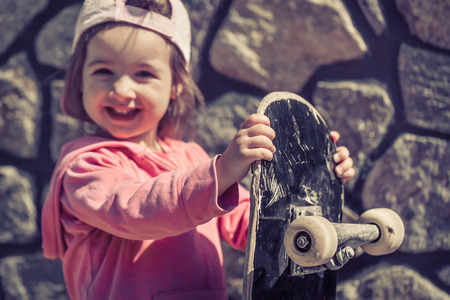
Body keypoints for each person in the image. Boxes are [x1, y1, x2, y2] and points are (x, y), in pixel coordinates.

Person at [41, 0, 355, 299]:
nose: (122, 89)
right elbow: (135, 209)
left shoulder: (191, 157)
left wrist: (314, 188)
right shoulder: (83, 169)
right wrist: (220, 173)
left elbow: (257, 225)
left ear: (176, 84)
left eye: (143, 74)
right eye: (103, 71)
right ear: (80, 78)